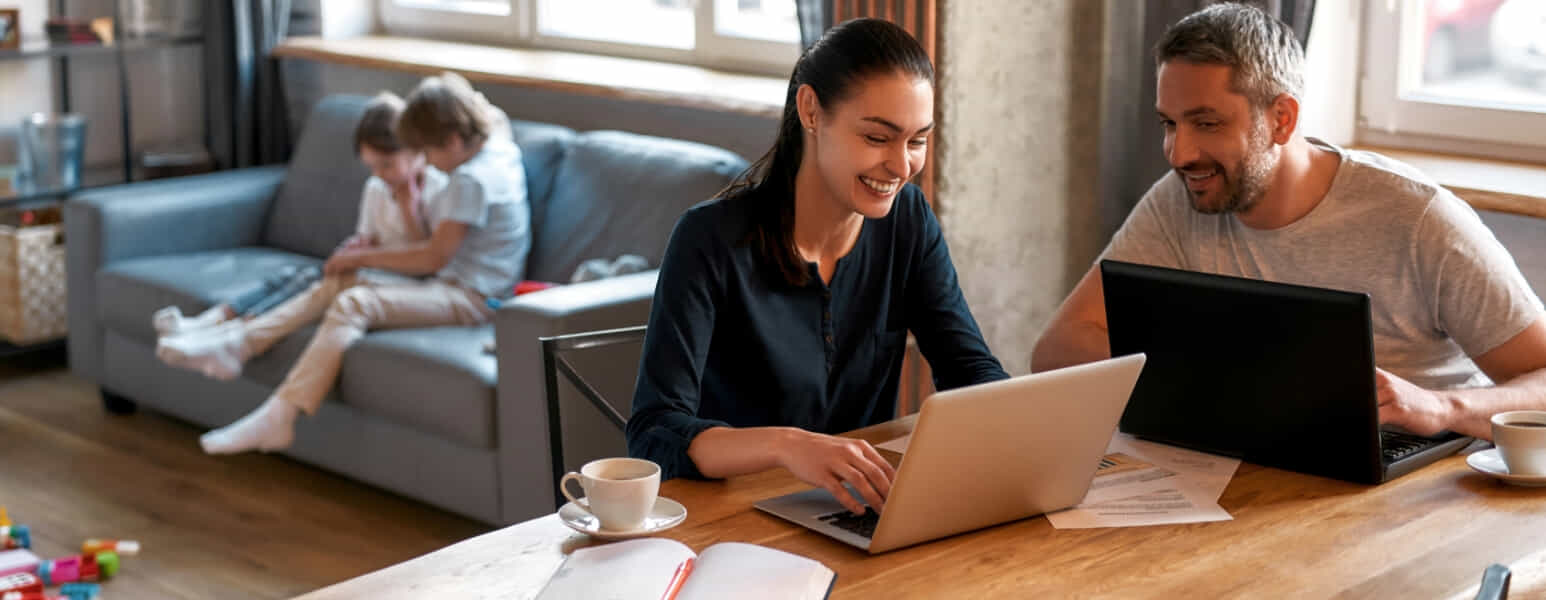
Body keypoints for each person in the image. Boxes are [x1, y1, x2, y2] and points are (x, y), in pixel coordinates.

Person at [1030, 3, 1546, 441]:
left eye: (1206, 123)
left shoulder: (1419, 219)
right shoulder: (1180, 199)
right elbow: (1057, 350)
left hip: (1410, 499)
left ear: (1282, 119)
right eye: (1169, 122)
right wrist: (1226, 383)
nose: (1178, 152)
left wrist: (1439, 408)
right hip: (1258, 475)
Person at [625, 18, 1009, 516]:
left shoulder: (909, 223)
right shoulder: (709, 239)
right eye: (877, 138)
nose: (902, 165)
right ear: (811, 110)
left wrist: (1022, 430)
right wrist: (789, 446)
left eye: (917, 141)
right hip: (730, 522)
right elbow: (654, 431)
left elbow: (968, 369)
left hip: (855, 512)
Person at [181, 72, 530, 454]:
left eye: (428, 151)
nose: (427, 162)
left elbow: (434, 255)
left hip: (475, 298)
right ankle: (238, 344)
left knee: (355, 301)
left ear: (451, 140)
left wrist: (361, 254)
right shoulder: (498, 139)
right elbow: (475, 104)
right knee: (343, 280)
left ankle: (281, 414)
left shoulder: (472, 180)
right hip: (458, 284)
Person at [153, 92, 443, 346]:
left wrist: (409, 210)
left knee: (313, 281)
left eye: (387, 165)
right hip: (370, 267)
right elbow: (367, 236)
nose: (379, 174)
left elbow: (427, 262)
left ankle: (239, 328)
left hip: (398, 283)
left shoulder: (435, 190)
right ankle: (214, 319)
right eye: (371, 167)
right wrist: (354, 247)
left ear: (417, 151)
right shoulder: (376, 187)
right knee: (297, 274)